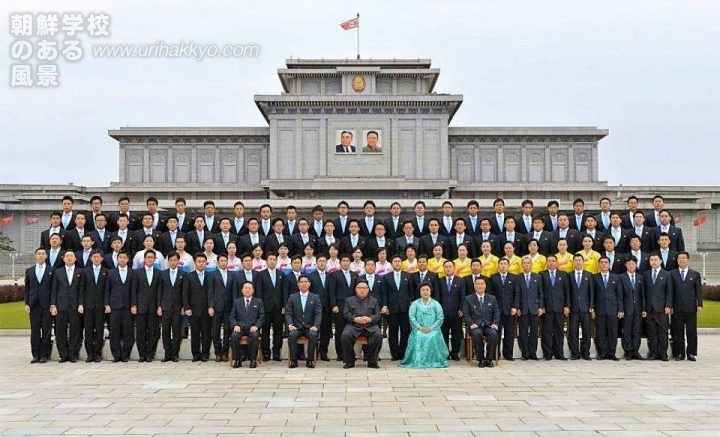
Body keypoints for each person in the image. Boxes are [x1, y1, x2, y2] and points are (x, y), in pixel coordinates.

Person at [399, 282, 448, 368]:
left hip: (433, 329)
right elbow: (412, 317)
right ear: (420, 292)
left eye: (427, 290)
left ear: (430, 291)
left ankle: (434, 360)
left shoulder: (436, 304)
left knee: (431, 336)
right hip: (418, 329)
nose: (425, 292)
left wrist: (431, 328)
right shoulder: (415, 304)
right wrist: (419, 327)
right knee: (419, 335)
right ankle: (418, 360)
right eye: (423, 290)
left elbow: (440, 318)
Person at [254, 252, 288, 362]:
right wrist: (259, 307)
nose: (272, 261)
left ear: (276, 261)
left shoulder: (281, 274)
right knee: (265, 331)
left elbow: (284, 292)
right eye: (270, 259)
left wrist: (284, 305)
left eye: (274, 259)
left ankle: (277, 353)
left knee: (278, 331)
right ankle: (266, 353)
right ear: (266, 261)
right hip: (265, 308)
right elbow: (258, 292)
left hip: (278, 308)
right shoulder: (260, 274)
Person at [340, 280, 382, 369]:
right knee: (345, 335)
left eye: (365, 288)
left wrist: (370, 319)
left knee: (378, 335)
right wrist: (355, 319)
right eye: (360, 288)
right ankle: (349, 361)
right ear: (355, 289)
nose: (362, 290)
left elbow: (378, 314)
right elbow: (345, 314)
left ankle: (372, 361)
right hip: (354, 325)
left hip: (370, 325)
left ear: (368, 289)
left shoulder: (374, 300)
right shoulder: (349, 300)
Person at [50, 251, 83, 363]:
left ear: (75, 258)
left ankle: (73, 354)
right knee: (60, 331)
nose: (69, 258)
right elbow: (54, 290)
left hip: (75, 306)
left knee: (75, 331)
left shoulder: (80, 272)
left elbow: (82, 290)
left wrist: (80, 304)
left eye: (71, 256)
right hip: (61, 306)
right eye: (67, 256)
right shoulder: (57, 272)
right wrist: (53, 305)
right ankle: (63, 355)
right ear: (63, 259)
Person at [285, 274, 323, 368]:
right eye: (301, 282)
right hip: (296, 326)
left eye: (306, 282)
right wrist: (290, 325)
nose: (303, 284)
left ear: (309, 284)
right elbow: (288, 313)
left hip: (310, 326)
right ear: (298, 284)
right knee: (292, 335)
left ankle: (310, 360)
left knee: (313, 335)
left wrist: (316, 325)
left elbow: (318, 313)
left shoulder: (315, 297)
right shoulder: (292, 297)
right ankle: (293, 360)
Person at [463, 276, 501, 367]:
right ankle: (481, 359)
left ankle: (489, 358)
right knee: (476, 334)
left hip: (488, 325)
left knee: (493, 334)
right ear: (474, 286)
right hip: (475, 326)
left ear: (485, 286)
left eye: (482, 284)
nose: (480, 286)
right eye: (478, 284)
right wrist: (471, 324)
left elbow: (497, 312)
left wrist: (495, 323)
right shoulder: (468, 299)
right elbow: (466, 313)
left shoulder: (492, 298)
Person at [671, 252, 702, 361]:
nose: (682, 260)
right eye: (679, 258)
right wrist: (669, 305)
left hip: (691, 308)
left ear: (688, 260)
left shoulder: (695, 274)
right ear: (677, 260)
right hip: (677, 308)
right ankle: (679, 353)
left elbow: (698, 291)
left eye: (684, 258)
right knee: (677, 332)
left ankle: (691, 353)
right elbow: (670, 292)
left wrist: (699, 305)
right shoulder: (672, 274)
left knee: (691, 331)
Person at [105, 250, 135, 362]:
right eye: (120, 257)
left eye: (124, 257)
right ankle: (116, 355)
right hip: (114, 307)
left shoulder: (133, 272)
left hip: (128, 307)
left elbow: (134, 290)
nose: (122, 259)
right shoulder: (111, 272)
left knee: (128, 331)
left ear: (127, 260)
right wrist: (107, 304)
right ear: (117, 259)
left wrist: (133, 304)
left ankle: (125, 355)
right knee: (114, 331)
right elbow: (107, 290)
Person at [183, 253, 214, 362]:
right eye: (199, 261)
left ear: (206, 263)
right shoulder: (189, 276)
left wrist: (211, 306)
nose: (201, 263)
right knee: (195, 333)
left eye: (203, 261)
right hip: (193, 310)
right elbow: (185, 293)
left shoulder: (210, 276)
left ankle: (205, 354)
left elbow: (211, 292)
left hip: (206, 310)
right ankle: (195, 354)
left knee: (206, 333)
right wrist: (187, 308)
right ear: (195, 263)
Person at [382, 255, 413, 361]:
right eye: (395, 261)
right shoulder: (386, 277)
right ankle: (394, 354)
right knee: (393, 332)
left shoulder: (408, 276)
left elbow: (411, 292)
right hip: (392, 308)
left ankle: (403, 353)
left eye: (399, 261)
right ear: (392, 263)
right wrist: (385, 305)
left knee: (405, 331)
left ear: (402, 263)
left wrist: (411, 304)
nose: (397, 263)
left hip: (405, 308)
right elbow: (384, 293)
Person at [24, 248, 53, 363]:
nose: (41, 256)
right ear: (35, 256)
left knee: (46, 330)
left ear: (46, 256)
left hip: (47, 305)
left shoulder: (51, 270)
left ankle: (45, 355)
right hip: (33, 305)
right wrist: (26, 303)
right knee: (35, 330)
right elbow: (27, 289)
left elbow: (53, 289)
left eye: (43, 254)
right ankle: (35, 354)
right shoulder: (29, 270)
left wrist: (53, 304)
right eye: (39, 254)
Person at [131, 249, 161, 362]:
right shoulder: (137, 272)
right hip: (140, 306)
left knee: (153, 332)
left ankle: (150, 354)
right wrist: (133, 305)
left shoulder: (159, 273)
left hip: (153, 307)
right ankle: (142, 354)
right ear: (144, 259)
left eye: (151, 257)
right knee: (140, 332)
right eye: (147, 257)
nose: (149, 259)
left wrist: (159, 306)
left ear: (154, 259)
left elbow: (159, 291)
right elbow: (133, 290)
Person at [79, 249, 108, 362]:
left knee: (100, 331)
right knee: (89, 330)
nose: (96, 259)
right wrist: (81, 304)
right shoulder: (84, 272)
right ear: (91, 259)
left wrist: (106, 304)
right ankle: (90, 354)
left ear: (101, 258)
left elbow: (107, 290)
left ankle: (97, 354)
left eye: (98, 257)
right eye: (94, 257)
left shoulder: (106, 271)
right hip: (88, 306)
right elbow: (81, 289)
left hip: (100, 307)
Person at [643, 253, 672, 361]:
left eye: (656, 260)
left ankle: (663, 354)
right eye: (651, 260)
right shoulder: (646, 274)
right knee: (651, 333)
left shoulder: (667, 274)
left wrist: (668, 305)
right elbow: (644, 292)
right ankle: (653, 353)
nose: (653, 262)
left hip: (662, 308)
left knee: (663, 332)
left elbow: (669, 291)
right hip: (650, 309)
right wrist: (644, 308)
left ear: (660, 261)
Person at [540, 255, 569, 360]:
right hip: (546, 308)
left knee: (559, 331)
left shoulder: (563, 275)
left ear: (557, 263)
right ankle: (548, 354)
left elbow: (567, 292)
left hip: (559, 307)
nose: (551, 263)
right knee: (546, 331)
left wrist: (567, 305)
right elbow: (540, 292)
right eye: (549, 261)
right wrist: (541, 306)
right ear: (546, 263)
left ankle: (559, 354)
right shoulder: (542, 275)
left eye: (553, 261)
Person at [593, 257, 623, 360]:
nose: (604, 264)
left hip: (613, 309)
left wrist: (620, 309)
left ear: (609, 264)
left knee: (612, 332)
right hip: (599, 309)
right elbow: (592, 294)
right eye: (601, 262)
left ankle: (611, 353)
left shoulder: (616, 277)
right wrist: (592, 308)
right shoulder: (595, 277)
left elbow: (619, 295)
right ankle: (601, 353)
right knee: (600, 332)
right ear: (599, 264)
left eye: (606, 262)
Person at [229, 282, 265, 368]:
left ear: (253, 291)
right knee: (234, 336)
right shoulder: (237, 302)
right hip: (240, 328)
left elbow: (262, 316)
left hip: (252, 327)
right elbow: (232, 316)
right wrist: (235, 325)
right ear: (242, 290)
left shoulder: (258, 301)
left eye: (249, 288)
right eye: (245, 288)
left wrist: (256, 326)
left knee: (254, 335)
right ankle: (237, 359)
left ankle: (253, 360)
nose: (247, 290)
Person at [158, 252, 185, 362]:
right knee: (165, 331)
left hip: (178, 307)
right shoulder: (162, 274)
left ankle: (174, 354)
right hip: (165, 306)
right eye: (171, 260)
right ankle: (167, 353)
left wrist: (184, 306)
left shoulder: (183, 274)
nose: (173, 262)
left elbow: (184, 292)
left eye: (175, 260)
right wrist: (159, 306)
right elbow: (159, 291)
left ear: (178, 261)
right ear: (168, 261)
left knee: (177, 331)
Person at [209, 254, 237, 362]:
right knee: (215, 331)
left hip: (229, 307)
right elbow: (210, 291)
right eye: (221, 261)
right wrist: (210, 306)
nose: (224, 262)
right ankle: (218, 353)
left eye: (225, 260)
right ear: (218, 262)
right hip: (216, 306)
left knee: (227, 331)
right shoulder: (212, 275)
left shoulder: (232, 274)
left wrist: (235, 306)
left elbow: (234, 291)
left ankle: (225, 353)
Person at [568, 254, 594, 360]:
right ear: (573, 262)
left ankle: (585, 353)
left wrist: (591, 306)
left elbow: (592, 292)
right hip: (573, 308)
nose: (578, 262)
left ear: (583, 262)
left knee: (586, 331)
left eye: (580, 260)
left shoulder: (589, 275)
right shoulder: (569, 275)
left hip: (585, 308)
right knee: (573, 331)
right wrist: (567, 306)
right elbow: (567, 292)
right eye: (576, 260)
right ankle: (575, 353)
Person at [517, 256, 544, 360]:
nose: (526, 264)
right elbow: (517, 293)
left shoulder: (537, 277)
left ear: (531, 265)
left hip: (534, 309)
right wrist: (517, 307)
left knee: (534, 332)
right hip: (523, 309)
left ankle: (533, 353)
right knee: (523, 333)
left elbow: (541, 293)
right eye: (524, 263)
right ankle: (525, 353)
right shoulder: (518, 277)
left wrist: (540, 307)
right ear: (522, 265)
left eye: (528, 263)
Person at [438, 260, 465, 361]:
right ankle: (445, 353)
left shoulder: (460, 281)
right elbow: (437, 296)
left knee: (456, 334)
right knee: (443, 333)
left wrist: (462, 309)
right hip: (443, 312)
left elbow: (463, 297)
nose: (448, 269)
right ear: (443, 268)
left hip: (456, 312)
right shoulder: (439, 280)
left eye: (450, 267)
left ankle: (455, 353)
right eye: (446, 267)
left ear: (454, 268)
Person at [620, 256, 644, 360]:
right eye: (629, 264)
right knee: (627, 330)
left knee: (637, 331)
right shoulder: (621, 277)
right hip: (626, 309)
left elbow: (643, 295)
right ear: (625, 265)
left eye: (633, 264)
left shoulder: (640, 277)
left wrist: (644, 309)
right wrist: (621, 309)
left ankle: (635, 350)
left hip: (638, 309)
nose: (631, 266)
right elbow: (619, 295)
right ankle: (628, 351)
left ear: (636, 265)